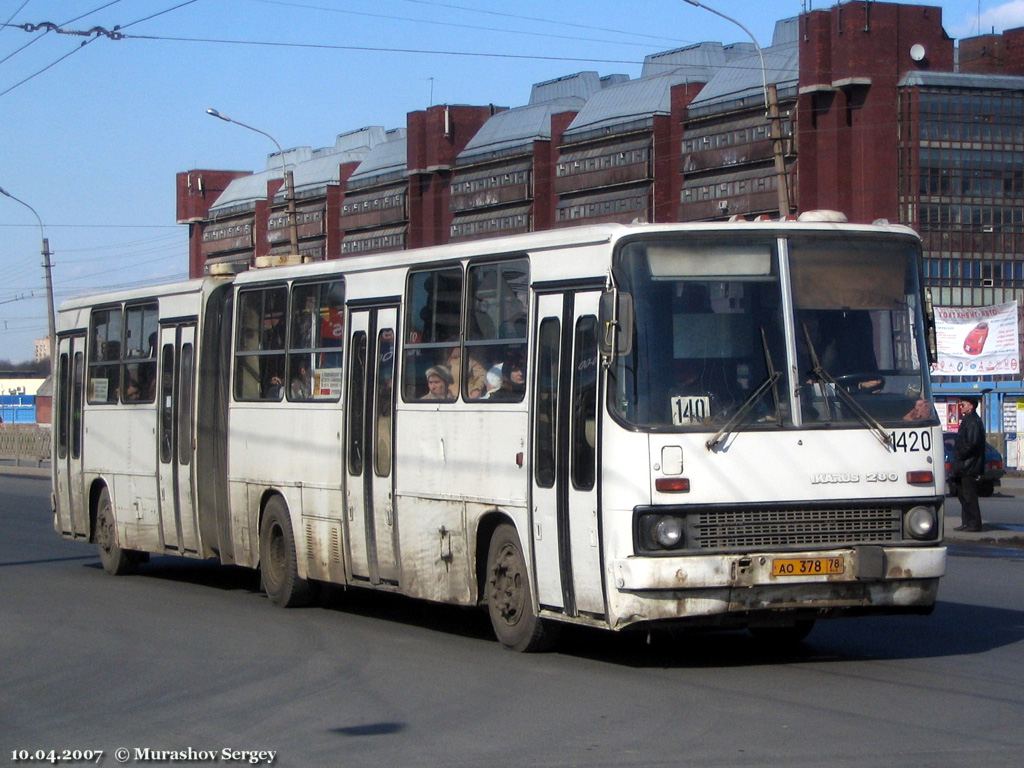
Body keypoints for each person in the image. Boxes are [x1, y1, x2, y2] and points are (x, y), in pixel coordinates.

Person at [952, 395, 985, 532]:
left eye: (963, 404)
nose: (961, 407)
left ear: (971, 406)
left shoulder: (973, 421)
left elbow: (972, 443)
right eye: (960, 405)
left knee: (969, 495)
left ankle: (974, 524)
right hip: (963, 465)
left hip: (969, 465)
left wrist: (960, 454)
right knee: (962, 495)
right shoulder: (967, 420)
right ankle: (966, 522)